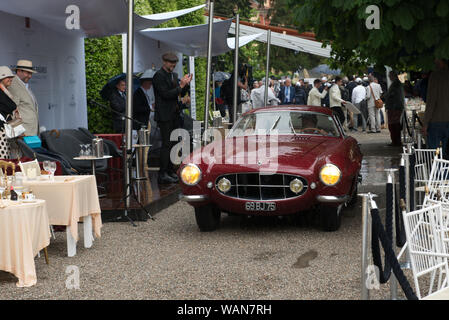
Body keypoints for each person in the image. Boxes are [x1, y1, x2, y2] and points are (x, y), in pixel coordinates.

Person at [153, 52, 191, 184]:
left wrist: (185, 84)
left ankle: (169, 170)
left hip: (174, 114)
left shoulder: (173, 76)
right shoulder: (159, 76)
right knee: (166, 144)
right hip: (164, 115)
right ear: (164, 62)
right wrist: (180, 86)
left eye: (174, 63)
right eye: (170, 63)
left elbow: (179, 93)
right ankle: (162, 173)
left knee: (174, 143)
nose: (172, 66)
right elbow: (165, 95)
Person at [423, 59, 449, 157]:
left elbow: (431, 101)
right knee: (447, 155)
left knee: (434, 154)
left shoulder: (435, 76)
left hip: (436, 120)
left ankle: (437, 172)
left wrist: (425, 123)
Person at [8, 59, 39, 136]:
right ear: (19, 71)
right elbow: (12, 110)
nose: (30, 76)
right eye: (28, 73)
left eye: (31, 73)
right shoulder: (13, 85)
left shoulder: (24, 84)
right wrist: (19, 132)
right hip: (23, 133)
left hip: (30, 131)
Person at [0, 67, 20, 158]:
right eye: (8, 77)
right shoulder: (1, 93)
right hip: (1, 133)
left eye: (11, 77)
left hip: (5, 132)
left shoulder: (5, 91)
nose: (10, 79)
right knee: (3, 162)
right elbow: (10, 106)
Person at [383, 71, 404, 146]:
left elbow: (392, 95)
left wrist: (386, 96)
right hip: (395, 107)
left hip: (394, 107)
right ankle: (395, 141)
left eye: (389, 76)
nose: (389, 77)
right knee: (394, 125)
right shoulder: (397, 83)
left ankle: (396, 141)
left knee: (394, 125)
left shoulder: (396, 84)